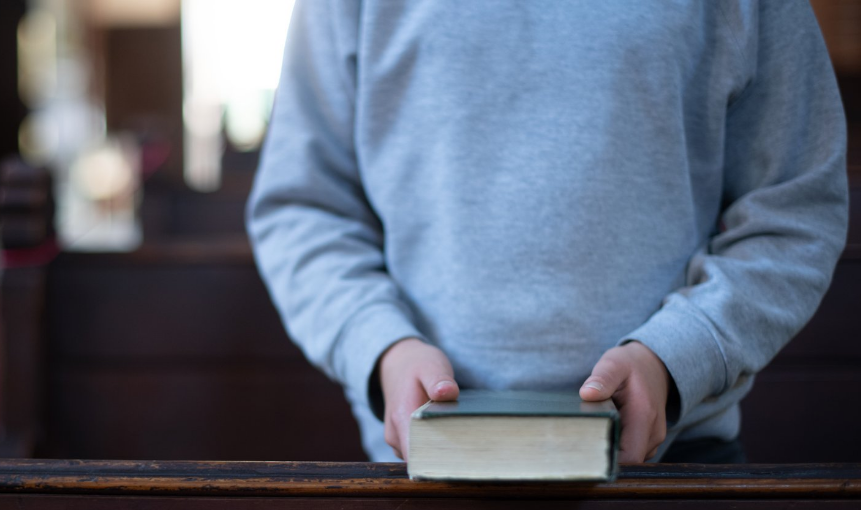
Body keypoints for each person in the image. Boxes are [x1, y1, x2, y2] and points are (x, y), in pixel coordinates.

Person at [245, 1, 849, 463]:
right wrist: (381, 346)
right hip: (418, 474)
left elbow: (796, 207)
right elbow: (304, 207)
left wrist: (678, 355)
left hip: (675, 474)